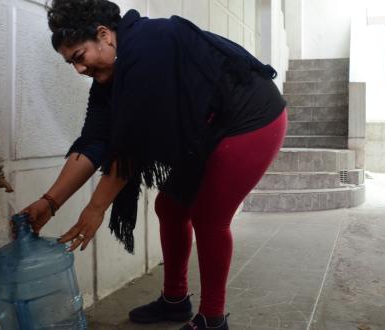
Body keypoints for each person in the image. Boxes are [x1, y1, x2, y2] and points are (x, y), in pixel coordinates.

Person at [19, 0, 287, 329]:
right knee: (171, 208)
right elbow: (94, 144)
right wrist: (50, 202)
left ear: (104, 35)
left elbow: (133, 146)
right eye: (70, 63)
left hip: (251, 118)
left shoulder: (148, 47)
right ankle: (174, 301)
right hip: (207, 128)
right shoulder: (110, 80)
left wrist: (96, 208)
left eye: (79, 57)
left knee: (208, 218)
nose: (78, 70)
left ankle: (212, 320)